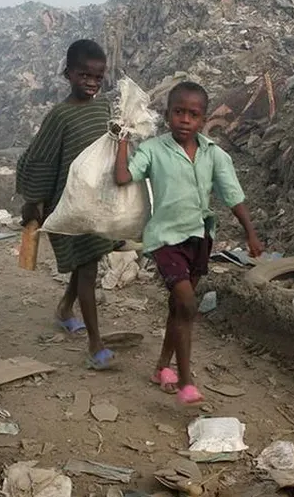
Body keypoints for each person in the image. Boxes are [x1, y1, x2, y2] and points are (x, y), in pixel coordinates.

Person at [114, 80, 263, 404]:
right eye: (178, 112)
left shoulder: (214, 154)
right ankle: (185, 379)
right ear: (167, 115)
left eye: (192, 114)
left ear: (203, 118)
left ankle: (161, 368)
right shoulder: (153, 150)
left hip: (199, 237)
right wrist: (123, 140)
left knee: (178, 308)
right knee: (187, 303)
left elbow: (232, 196)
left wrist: (250, 232)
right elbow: (124, 177)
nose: (184, 120)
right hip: (165, 239)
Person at [16, 39, 117, 371]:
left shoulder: (102, 109)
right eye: (83, 75)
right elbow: (39, 159)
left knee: (89, 260)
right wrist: (34, 200)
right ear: (68, 74)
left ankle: (63, 310)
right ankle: (95, 345)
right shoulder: (59, 116)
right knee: (87, 267)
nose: (90, 82)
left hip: (98, 202)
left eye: (97, 77)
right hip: (69, 207)